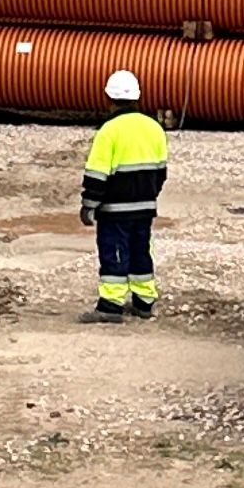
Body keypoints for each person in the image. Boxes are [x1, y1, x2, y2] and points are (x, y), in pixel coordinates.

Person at [78, 69, 168, 324]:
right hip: (145, 206)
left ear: (108, 98)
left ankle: (111, 305)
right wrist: (150, 196)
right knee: (141, 251)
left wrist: (89, 205)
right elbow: (161, 172)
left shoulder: (109, 131)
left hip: (115, 209)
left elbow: (97, 173)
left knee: (114, 251)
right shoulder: (155, 129)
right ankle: (144, 301)